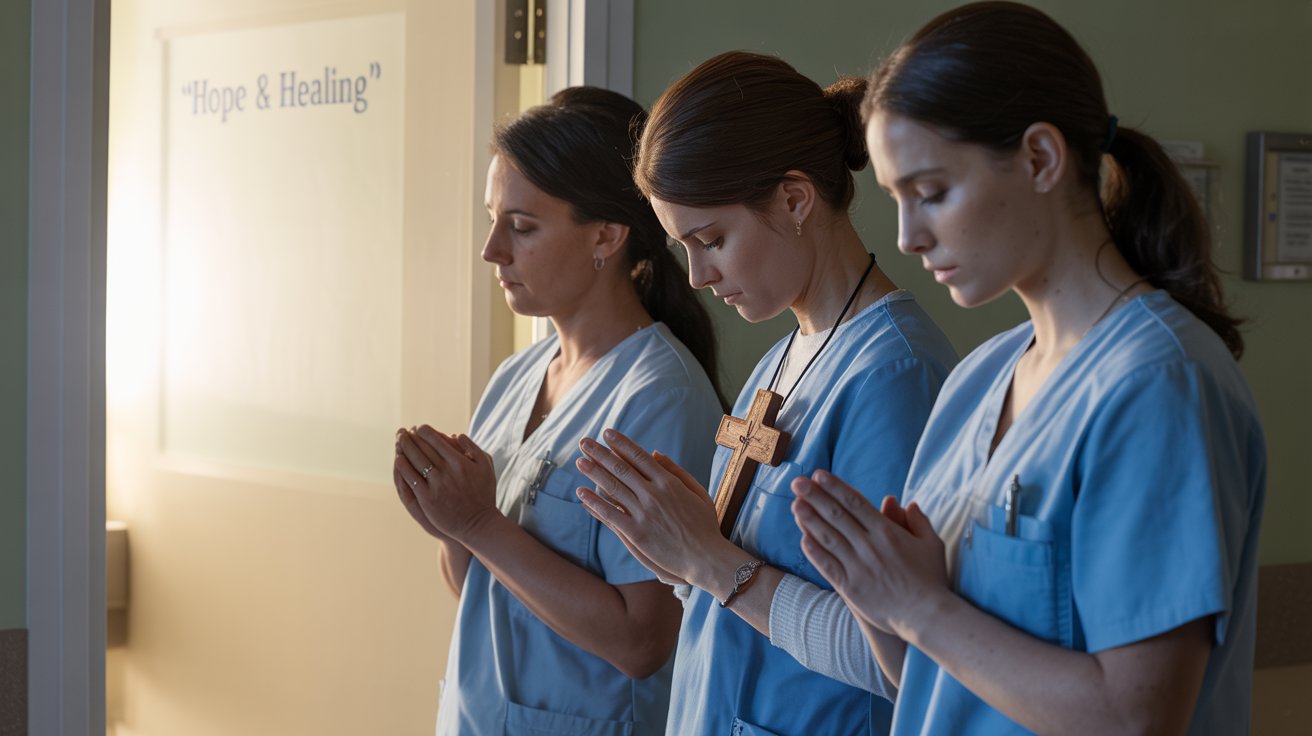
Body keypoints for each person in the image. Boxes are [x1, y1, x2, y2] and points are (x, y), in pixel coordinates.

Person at [789, 3, 1267, 734]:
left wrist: (921, 607)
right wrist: (874, 594)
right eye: (896, 200)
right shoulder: (979, 378)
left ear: (1041, 158)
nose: (908, 237)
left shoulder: (1157, 383)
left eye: (932, 193)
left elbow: (1136, 719)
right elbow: (932, 681)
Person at [573, 51, 958, 735]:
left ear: (794, 199)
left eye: (712, 239)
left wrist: (709, 562)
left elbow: (898, 656)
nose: (696, 276)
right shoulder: (779, 362)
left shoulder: (895, 374)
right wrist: (678, 560)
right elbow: (733, 597)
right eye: (683, 247)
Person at [392, 86, 725, 736]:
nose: (492, 249)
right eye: (492, 219)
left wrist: (478, 522)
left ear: (606, 235)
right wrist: (449, 522)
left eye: (521, 227)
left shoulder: (659, 396)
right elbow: (481, 591)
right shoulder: (517, 377)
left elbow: (642, 641)